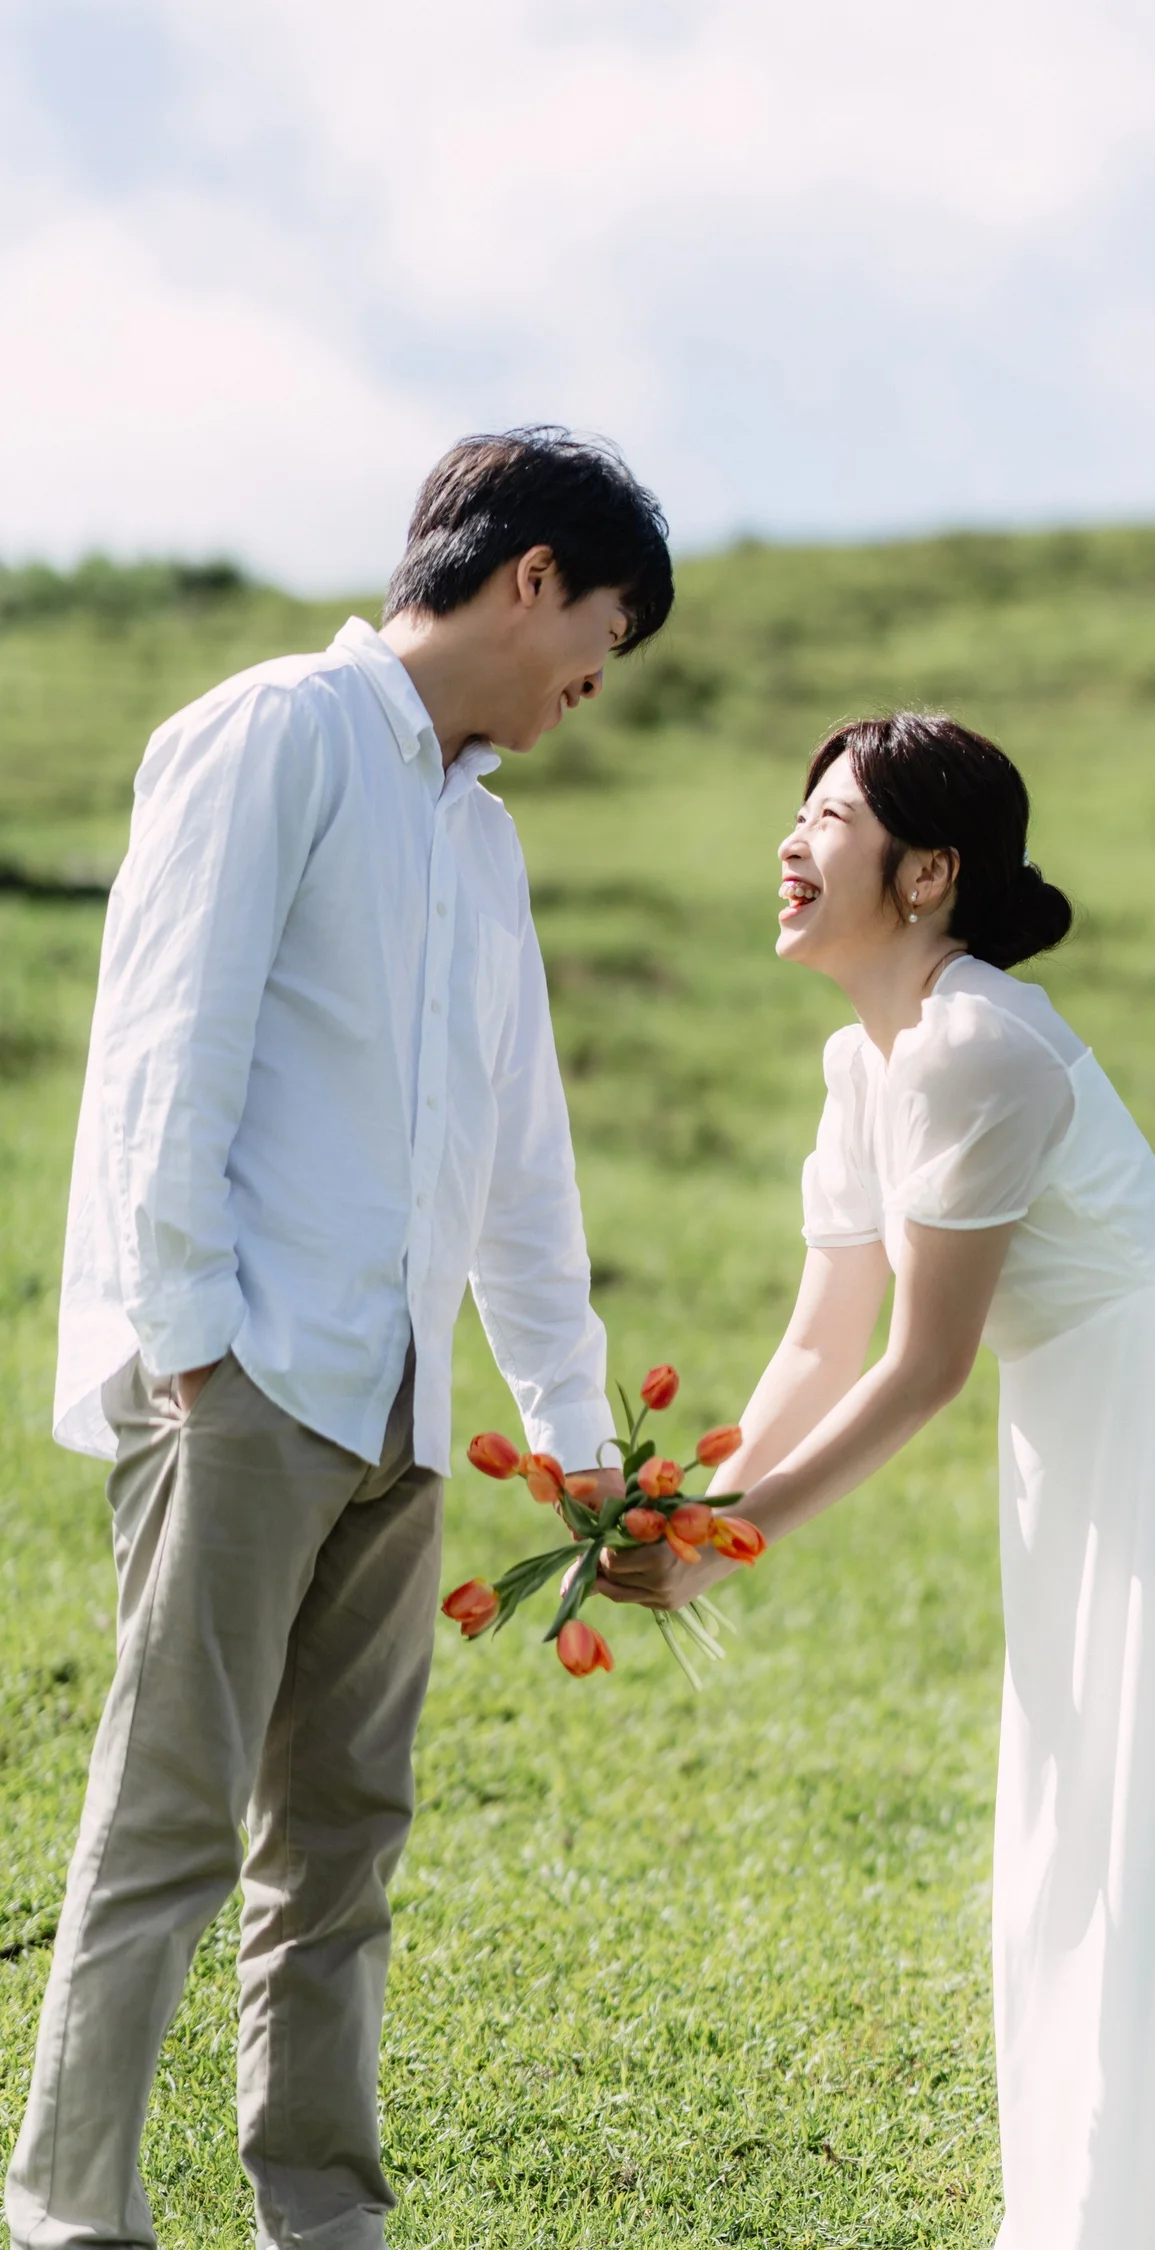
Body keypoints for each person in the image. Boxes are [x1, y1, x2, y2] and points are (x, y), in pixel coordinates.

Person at [600, 711, 1155, 2248]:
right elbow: (820, 1340)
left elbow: (923, 1366)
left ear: (929, 872)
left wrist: (726, 1543)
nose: (791, 842)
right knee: (1091, 1827)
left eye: (832, 818)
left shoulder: (978, 1046)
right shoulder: (863, 1060)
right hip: (1088, 1446)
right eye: (798, 812)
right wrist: (685, 1500)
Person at [6, 427, 669, 2250]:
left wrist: (571, 1426)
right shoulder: (277, 730)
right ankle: (72, 2213)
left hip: (397, 1410)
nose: (596, 681)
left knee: (345, 1840)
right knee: (170, 1815)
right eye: (603, 633)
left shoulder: (483, 838)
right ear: (532, 575)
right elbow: (169, 1043)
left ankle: (324, 2220)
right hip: (243, 1376)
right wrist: (190, 1341)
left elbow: (519, 1161)